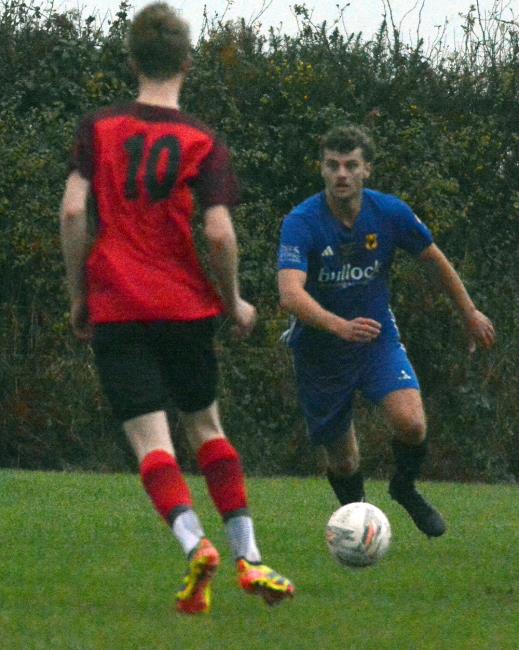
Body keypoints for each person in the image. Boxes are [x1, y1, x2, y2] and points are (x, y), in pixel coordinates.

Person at [60, 2, 294, 615]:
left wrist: (80, 296)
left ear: (132, 59)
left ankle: (194, 543)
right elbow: (217, 234)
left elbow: (72, 213)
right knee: (207, 429)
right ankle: (250, 556)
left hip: (117, 305)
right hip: (185, 308)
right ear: (187, 63)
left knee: (152, 443)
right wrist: (233, 300)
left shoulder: (99, 128)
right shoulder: (202, 140)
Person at [278, 125, 495, 538]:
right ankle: (361, 528)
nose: (342, 173)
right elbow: (290, 294)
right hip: (321, 351)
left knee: (411, 423)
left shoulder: (389, 212)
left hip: (376, 339)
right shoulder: (302, 221)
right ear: (321, 169)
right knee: (342, 461)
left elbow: (434, 260)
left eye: (351, 165)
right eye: (333, 165)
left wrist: (468, 312)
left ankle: (404, 487)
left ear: (367, 171)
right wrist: (339, 326)